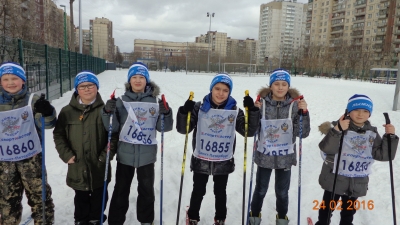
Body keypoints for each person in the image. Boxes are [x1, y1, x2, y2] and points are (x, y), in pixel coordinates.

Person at [176, 73, 260, 225]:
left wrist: (252, 111)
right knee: (198, 191)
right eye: (217, 89)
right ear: (211, 89)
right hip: (201, 159)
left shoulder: (234, 111)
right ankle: (193, 216)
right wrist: (184, 111)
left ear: (229, 92)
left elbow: (248, 132)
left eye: (225, 90)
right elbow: (184, 129)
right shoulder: (199, 108)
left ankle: (220, 218)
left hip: (223, 161)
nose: (221, 93)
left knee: (220, 192)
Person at [102, 62, 173, 225]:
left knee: (147, 191)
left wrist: (166, 113)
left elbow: (164, 128)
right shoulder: (121, 101)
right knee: (121, 190)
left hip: (147, 156)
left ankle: (146, 220)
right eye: (134, 77)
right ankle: (116, 220)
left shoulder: (155, 102)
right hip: (125, 154)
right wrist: (107, 112)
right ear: (129, 80)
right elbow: (113, 128)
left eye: (141, 77)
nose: (138, 80)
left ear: (147, 81)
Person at [314, 94, 398, 225]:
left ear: (369, 114)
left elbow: (384, 155)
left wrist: (390, 137)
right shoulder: (339, 127)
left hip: (356, 182)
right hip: (334, 180)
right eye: (356, 110)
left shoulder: (372, 133)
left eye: (365, 111)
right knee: (326, 211)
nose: (360, 114)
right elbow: (327, 148)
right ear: (348, 111)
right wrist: (337, 130)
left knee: (348, 214)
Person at [53, 71, 118, 225]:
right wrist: (66, 154)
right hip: (77, 165)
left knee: (99, 197)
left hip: (99, 165)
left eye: (91, 85)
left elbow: (114, 135)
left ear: (97, 87)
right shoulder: (67, 112)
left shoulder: (105, 110)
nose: (87, 89)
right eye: (82, 86)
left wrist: (106, 155)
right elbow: (58, 134)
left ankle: (96, 220)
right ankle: (81, 221)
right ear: (77, 89)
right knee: (81, 198)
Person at [248, 69, 310, 225]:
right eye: (276, 84)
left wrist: (304, 113)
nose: (280, 87)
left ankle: (282, 217)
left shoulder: (295, 105)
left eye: (284, 84)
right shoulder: (261, 103)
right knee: (260, 189)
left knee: (282, 192)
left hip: (285, 158)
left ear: (288, 86)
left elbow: (302, 133)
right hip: (264, 156)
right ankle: (254, 215)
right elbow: (253, 130)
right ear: (271, 86)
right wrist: (254, 111)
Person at [0, 62, 56, 225]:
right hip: (5, 160)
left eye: (15, 78)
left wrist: (47, 112)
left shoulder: (33, 100)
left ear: (23, 80)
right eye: (6, 79)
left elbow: (48, 124)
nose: (10, 82)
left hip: (31, 158)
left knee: (40, 196)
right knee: (7, 199)